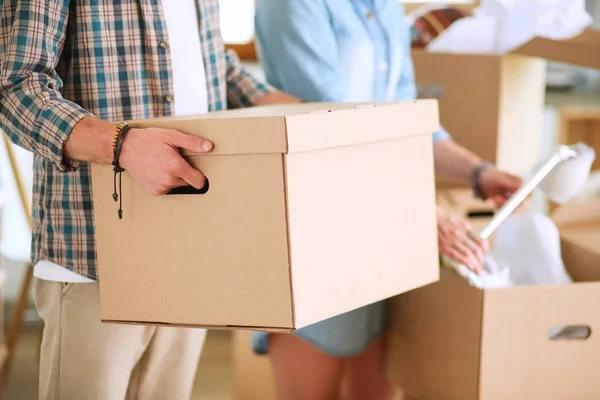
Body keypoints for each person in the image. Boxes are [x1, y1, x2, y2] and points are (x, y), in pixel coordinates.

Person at [0, 1, 297, 399]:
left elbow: (212, 62)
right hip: (95, 253)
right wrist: (120, 145)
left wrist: (287, 111)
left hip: (191, 244)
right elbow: (15, 86)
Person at [253, 1, 523, 399]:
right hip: (314, 229)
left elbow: (406, 119)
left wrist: (478, 172)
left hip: (384, 237)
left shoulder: (385, 7)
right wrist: (419, 213)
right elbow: (328, 128)